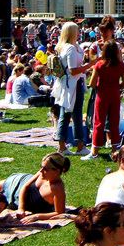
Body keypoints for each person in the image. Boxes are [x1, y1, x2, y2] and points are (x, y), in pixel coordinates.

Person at [52, 22, 95, 156]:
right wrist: (90, 65)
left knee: (74, 114)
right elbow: (73, 70)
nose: (79, 33)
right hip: (72, 83)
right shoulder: (70, 48)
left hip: (74, 83)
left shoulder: (72, 47)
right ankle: (65, 145)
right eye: (77, 31)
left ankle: (77, 144)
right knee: (67, 114)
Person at [0, 152, 70, 223]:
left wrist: (36, 216)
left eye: (45, 169)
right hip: (18, 182)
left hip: (17, 195)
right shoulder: (42, 173)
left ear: (56, 171)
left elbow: (59, 212)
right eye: (41, 167)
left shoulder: (57, 188)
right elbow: (25, 186)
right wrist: (21, 208)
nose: (41, 170)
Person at [84, 41, 124, 160]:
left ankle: (94, 151)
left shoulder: (99, 64)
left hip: (102, 95)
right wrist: (116, 86)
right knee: (114, 122)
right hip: (114, 94)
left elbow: (92, 83)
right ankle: (115, 150)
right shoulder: (121, 65)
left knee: (98, 123)